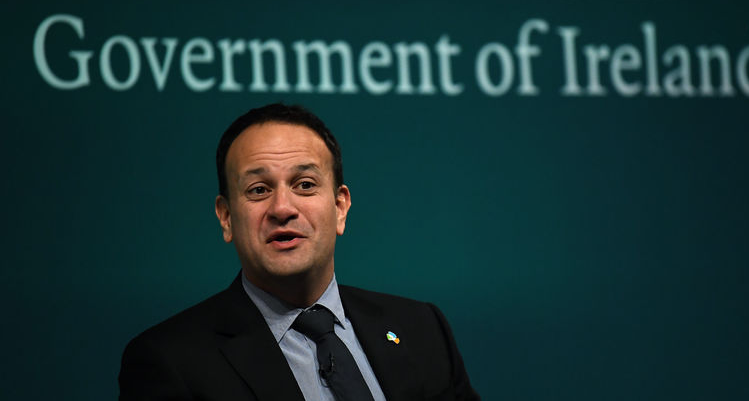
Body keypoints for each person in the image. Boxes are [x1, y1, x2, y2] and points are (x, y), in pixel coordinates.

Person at [119, 103, 479, 401]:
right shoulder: (169, 362)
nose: (282, 208)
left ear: (339, 207)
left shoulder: (422, 329)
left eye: (304, 185)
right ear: (226, 217)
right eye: (259, 190)